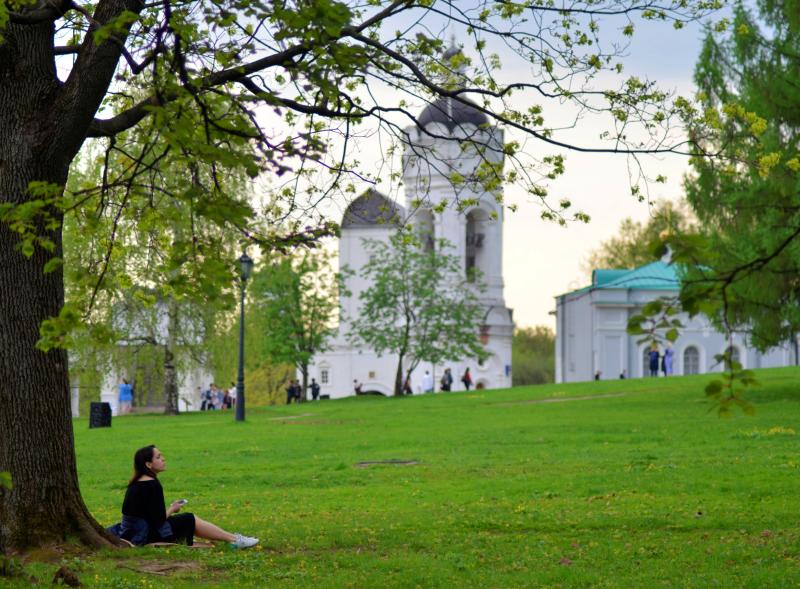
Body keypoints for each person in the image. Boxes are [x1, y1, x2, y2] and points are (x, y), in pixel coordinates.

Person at [108, 445, 258, 548]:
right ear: (148, 464)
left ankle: (233, 539)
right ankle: (234, 540)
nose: (163, 459)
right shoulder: (152, 485)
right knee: (189, 519)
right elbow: (158, 520)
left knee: (188, 520)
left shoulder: (137, 482)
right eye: (159, 457)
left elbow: (149, 516)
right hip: (143, 535)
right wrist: (173, 509)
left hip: (131, 531)